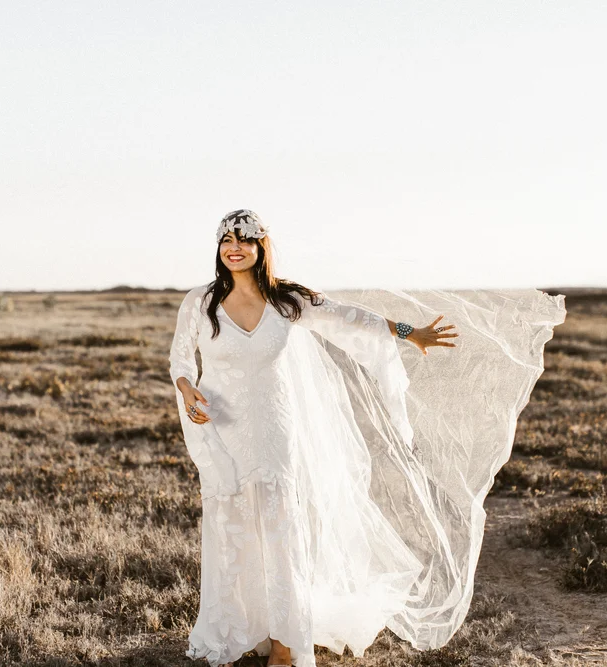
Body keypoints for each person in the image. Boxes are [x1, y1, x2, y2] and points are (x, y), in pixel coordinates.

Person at [169, 210, 566, 666]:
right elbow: (180, 360)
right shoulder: (200, 302)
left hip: (273, 429)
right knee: (232, 519)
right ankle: (240, 627)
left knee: (279, 525)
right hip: (222, 425)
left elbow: (351, 320)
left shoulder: (288, 301)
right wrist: (187, 388)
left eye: (244, 240)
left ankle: (284, 641)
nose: (234, 248)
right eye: (226, 241)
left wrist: (408, 333)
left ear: (261, 249)